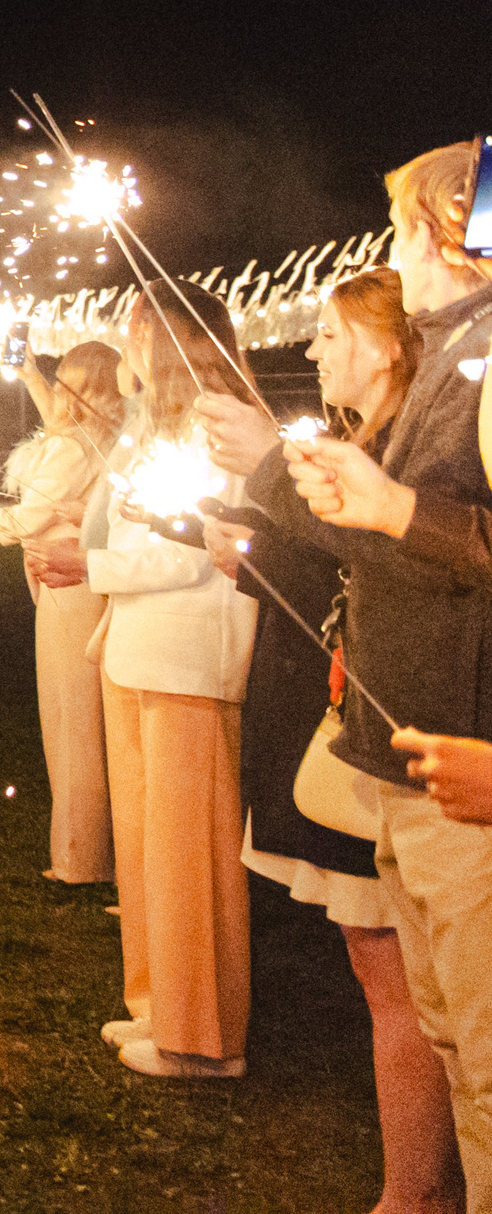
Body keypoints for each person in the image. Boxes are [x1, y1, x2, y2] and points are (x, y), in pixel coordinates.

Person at [207, 141, 492, 1194]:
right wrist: (311, 486)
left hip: (466, 762)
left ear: (443, 232)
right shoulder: (457, 356)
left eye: (400, 229)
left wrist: (389, 506)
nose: (392, 254)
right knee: (454, 1046)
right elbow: (378, 540)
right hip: (409, 755)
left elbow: (425, 536)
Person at [83, 281, 259, 1081]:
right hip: (140, 648)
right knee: (149, 847)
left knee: (191, 854)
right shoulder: (153, 427)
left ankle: (204, 1037)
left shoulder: (218, 425)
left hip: (189, 655)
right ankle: (160, 1004)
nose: (127, 338)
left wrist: (89, 567)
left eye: (138, 326)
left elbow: (196, 552)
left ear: (176, 338)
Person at [0, 342, 124, 883]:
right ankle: (101, 852)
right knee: (91, 718)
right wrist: (30, 375)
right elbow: (64, 435)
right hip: (90, 583)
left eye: (63, 380)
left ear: (78, 387)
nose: (56, 388)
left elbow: (27, 518)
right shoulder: (108, 436)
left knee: (70, 720)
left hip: (67, 586)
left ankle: (81, 859)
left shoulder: (71, 447)